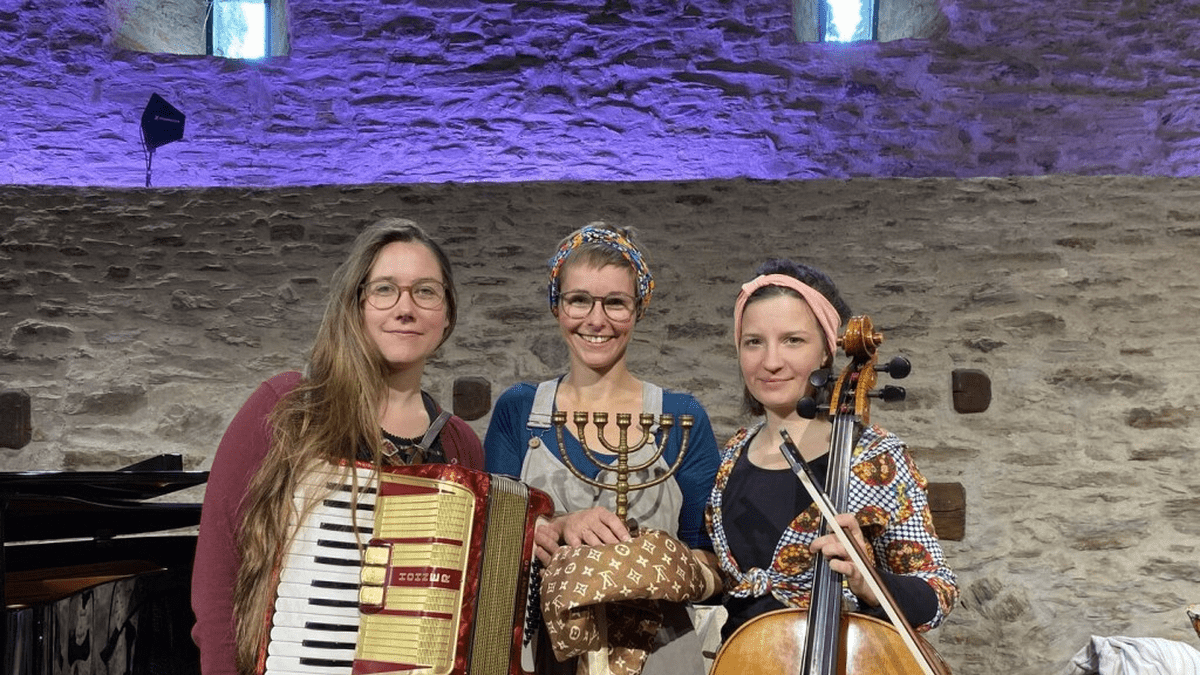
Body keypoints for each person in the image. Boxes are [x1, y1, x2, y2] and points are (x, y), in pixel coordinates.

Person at [190, 219, 484, 675]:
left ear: (447, 315)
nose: (405, 309)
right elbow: (217, 580)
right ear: (356, 304)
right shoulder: (286, 408)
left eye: (426, 292)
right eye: (385, 290)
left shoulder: (460, 445)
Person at [484, 223, 722, 675]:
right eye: (579, 300)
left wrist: (651, 561)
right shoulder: (519, 410)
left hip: (657, 654)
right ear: (557, 306)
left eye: (615, 302)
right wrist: (554, 526)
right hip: (544, 651)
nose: (596, 320)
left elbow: (712, 561)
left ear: (638, 309)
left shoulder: (680, 418)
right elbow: (491, 542)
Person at [706, 258, 958, 644]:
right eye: (754, 341)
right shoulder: (733, 455)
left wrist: (869, 582)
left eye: (793, 340)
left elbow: (939, 592)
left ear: (826, 351)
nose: (770, 362)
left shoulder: (875, 460)